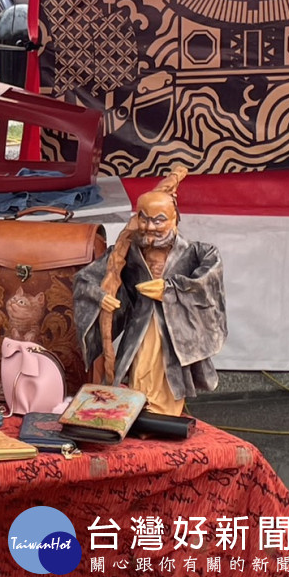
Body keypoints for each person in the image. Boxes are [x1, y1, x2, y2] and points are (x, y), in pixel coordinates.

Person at [71, 166, 226, 415]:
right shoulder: (127, 252)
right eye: (144, 218)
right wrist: (101, 296)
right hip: (140, 327)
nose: (150, 227)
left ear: (176, 218)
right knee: (140, 370)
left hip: (175, 331)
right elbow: (84, 280)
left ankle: (164, 415)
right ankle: (140, 413)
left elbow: (208, 283)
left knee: (168, 374)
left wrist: (170, 289)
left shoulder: (197, 253)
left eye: (159, 220)